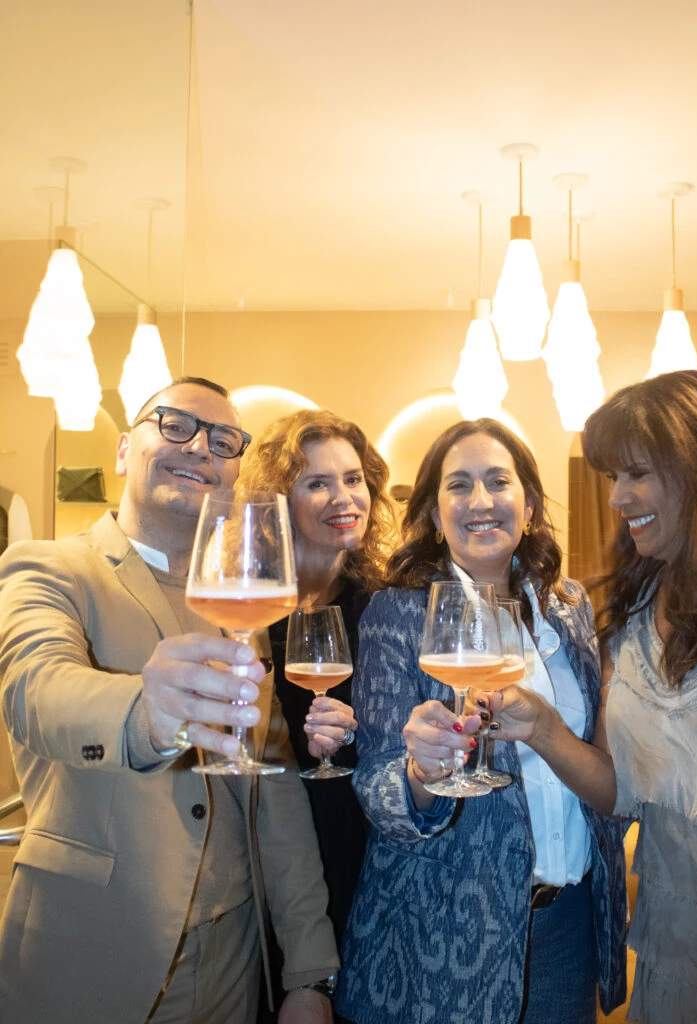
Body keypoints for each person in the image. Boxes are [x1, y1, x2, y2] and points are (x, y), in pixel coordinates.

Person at [0, 377, 339, 1024]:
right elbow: (34, 691)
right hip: (87, 959)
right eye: (175, 425)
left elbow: (275, 793)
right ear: (125, 449)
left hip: (233, 969)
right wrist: (145, 716)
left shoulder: (241, 603)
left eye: (223, 439)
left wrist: (309, 971)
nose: (200, 448)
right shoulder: (45, 568)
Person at [484, 370, 697, 1022]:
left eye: (635, 473)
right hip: (670, 948)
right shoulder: (634, 613)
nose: (617, 499)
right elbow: (621, 793)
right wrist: (547, 730)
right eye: (612, 477)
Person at [335, 418, 627, 1024]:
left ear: (528, 503)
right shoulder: (398, 612)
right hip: (439, 938)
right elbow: (377, 788)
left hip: (568, 926)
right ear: (435, 513)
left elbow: (603, 762)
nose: (481, 501)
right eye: (458, 485)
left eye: (498, 480)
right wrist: (420, 773)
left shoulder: (569, 606)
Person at [237, 410, 397, 949]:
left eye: (354, 480)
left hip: (361, 843)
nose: (344, 498)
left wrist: (358, 735)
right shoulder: (245, 609)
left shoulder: (385, 606)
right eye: (318, 483)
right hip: (265, 846)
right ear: (280, 500)